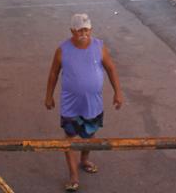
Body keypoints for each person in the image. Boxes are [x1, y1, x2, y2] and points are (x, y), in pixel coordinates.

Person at [44, 13, 124, 192]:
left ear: (91, 29)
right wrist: (48, 96)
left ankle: (85, 159)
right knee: (70, 139)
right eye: (80, 29)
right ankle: (73, 175)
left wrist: (118, 92)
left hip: (93, 104)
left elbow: (111, 69)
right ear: (72, 30)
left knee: (90, 135)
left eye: (86, 29)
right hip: (70, 104)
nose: (84, 33)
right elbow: (53, 74)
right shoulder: (62, 49)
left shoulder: (99, 47)